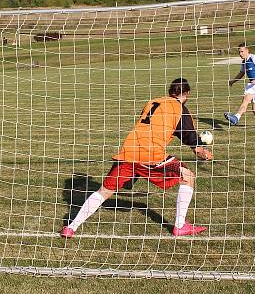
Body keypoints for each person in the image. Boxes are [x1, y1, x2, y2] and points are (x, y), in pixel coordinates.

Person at [60, 78, 213, 238]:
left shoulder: (153, 102)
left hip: (128, 151)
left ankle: (71, 227)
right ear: (187, 93)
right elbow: (196, 149)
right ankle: (180, 226)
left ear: (170, 92)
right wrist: (205, 154)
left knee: (104, 191)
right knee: (187, 176)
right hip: (151, 155)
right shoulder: (180, 109)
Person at [224, 43, 255, 128]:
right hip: (251, 85)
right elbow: (241, 73)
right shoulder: (244, 62)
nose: (240, 54)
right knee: (245, 101)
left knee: (254, 109)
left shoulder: (254, 58)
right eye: (239, 52)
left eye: (242, 51)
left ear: (247, 50)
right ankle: (236, 118)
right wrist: (233, 81)